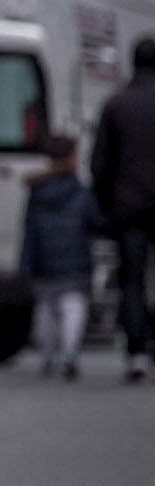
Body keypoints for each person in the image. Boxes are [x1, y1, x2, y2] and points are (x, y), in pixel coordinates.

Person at [92, 36, 155, 383]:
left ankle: (137, 352)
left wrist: (106, 207)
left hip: (129, 205)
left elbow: (100, 164)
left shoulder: (117, 104)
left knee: (131, 280)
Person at [20, 134, 103, 380]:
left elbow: (29, 230)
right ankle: (69, 353)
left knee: (46, 308)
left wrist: (25, 264)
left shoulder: (37, 190)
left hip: (43, 260)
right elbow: (96, 221)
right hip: (75, 258)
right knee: (72, 307)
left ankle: (47, 355)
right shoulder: (79, 190)